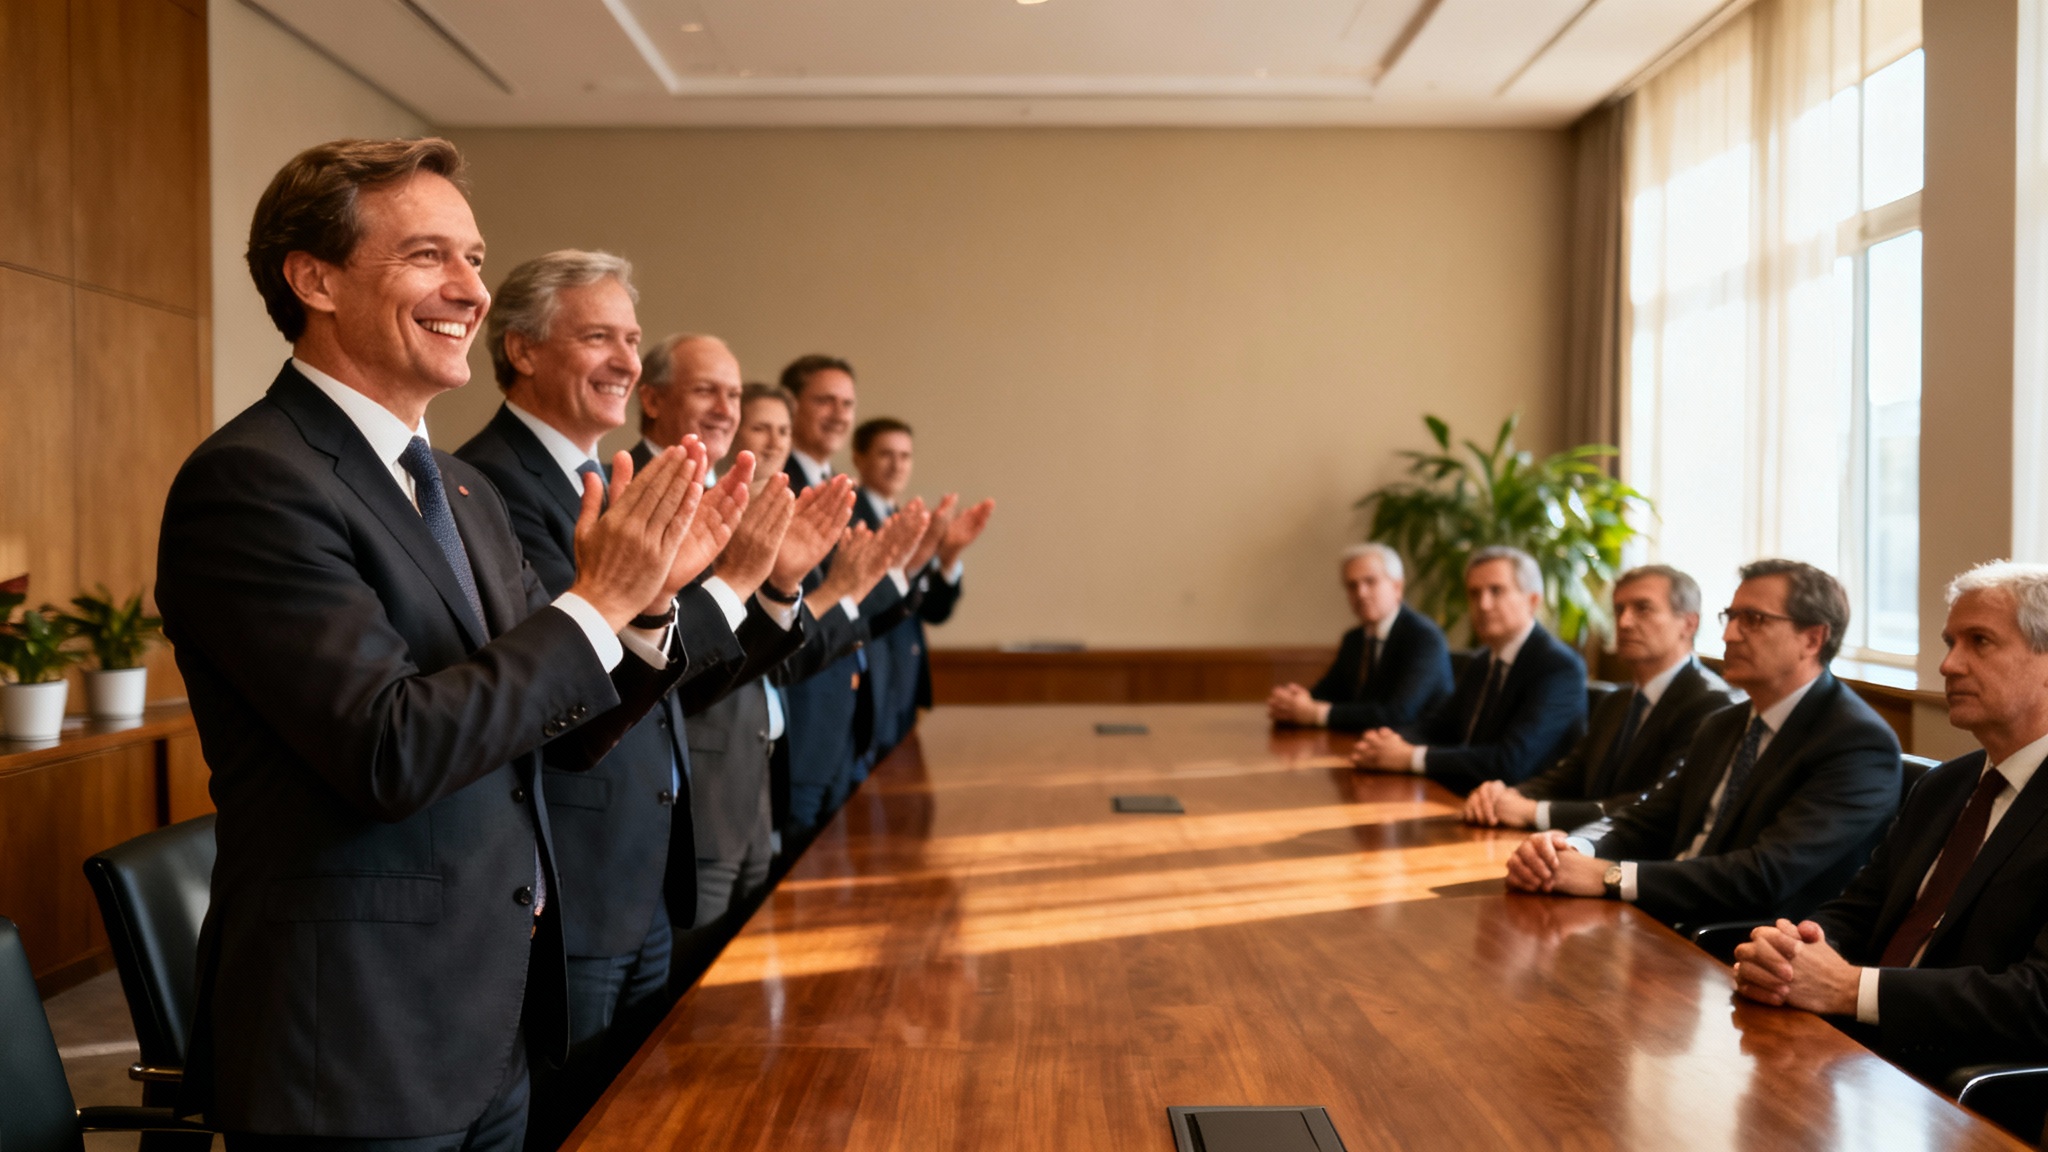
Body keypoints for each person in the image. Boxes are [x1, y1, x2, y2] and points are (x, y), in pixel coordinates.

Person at [155, 138, 736, 1150]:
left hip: (488, 1016)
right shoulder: (252, 480)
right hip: (353, 1044)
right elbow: (390, 750)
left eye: (473, 259)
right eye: (429, 257)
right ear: (315, 278)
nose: (470, 289)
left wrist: (642, 611)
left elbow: (550, 730)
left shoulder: (458, 489)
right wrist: (595, 606)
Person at [453, 259, 821, 1146]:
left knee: (646, 1110)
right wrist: (734, 582)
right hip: (570, 869)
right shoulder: (489, 481)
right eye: (598, 337)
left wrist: (767, 591)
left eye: (629, 336)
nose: (626, 359)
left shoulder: (612, 475)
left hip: (646, 860)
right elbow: (573, 670)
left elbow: (660, 673)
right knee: (575, 1117)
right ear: (522, 351)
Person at [1734, 562, 2048, 1081]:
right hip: (1845, 1048)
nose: (1948, 665)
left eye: (1980, 642)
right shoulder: (1945, 785)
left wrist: (1850, 989)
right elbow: (1859, 911)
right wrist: (1795, 951)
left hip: (1951, 1083)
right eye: (1950, 642)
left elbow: (2037, 998)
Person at [1505, 559, 1902, 927]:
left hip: (1738, 943)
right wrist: (1573, 849)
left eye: (1754, 620)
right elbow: (1650, 817)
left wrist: (1611, 876)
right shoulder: (1723, 724)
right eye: (1730, 617)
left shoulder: (1856, 743)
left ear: (1813, 639)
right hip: (1661, 916)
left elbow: (1764, 875)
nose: (1729, 634)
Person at [775, 354, 930, 829]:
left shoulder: (838, 489)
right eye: (825, 400)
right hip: (803, 719)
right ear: (791, 406)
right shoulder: (780, 486)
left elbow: (854, 607)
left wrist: (908, 568)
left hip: (848, 716)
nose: (840, 414)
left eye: (847, 403)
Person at [1464, 564, 1736, 832]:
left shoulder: (1711, 704)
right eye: (1619, 609)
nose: (1624, 622)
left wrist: (1534, 812)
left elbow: (1655, 802)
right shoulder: (1615, 701)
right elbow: (1569, 776)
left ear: (1689, 624)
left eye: (1643, 608)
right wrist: (1505, 796)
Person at [1351, 546, 1587, 796]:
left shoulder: (1559, 667)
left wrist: (1411, 757)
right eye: (1474, 594)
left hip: (1525, 814)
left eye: (1496, 591)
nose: (1483, 605)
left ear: (1532, 600)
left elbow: (1511, 762)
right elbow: (1439, 727)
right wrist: (1387, 742)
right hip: (1465, 798)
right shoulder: (1481, 661)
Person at [849, 416, 993, 751]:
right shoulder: (851, 515)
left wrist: (948, 556)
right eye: (886, 454)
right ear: (859, 458)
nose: (897, 465)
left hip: (905, 683)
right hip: (868, 681)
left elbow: (934, 611)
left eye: (905, 456)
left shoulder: (908, 518)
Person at [1268, 543, 1453, 732]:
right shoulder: (1354, 639)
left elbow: (1398, 713)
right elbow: (1328, 692)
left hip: (1415, 749)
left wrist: (1317, 713)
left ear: (1397, 587)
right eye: (1352, 585)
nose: (1361, 593)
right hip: (1363, 745)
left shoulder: (1423, 637)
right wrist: (1293, 702)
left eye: (1370, 582)